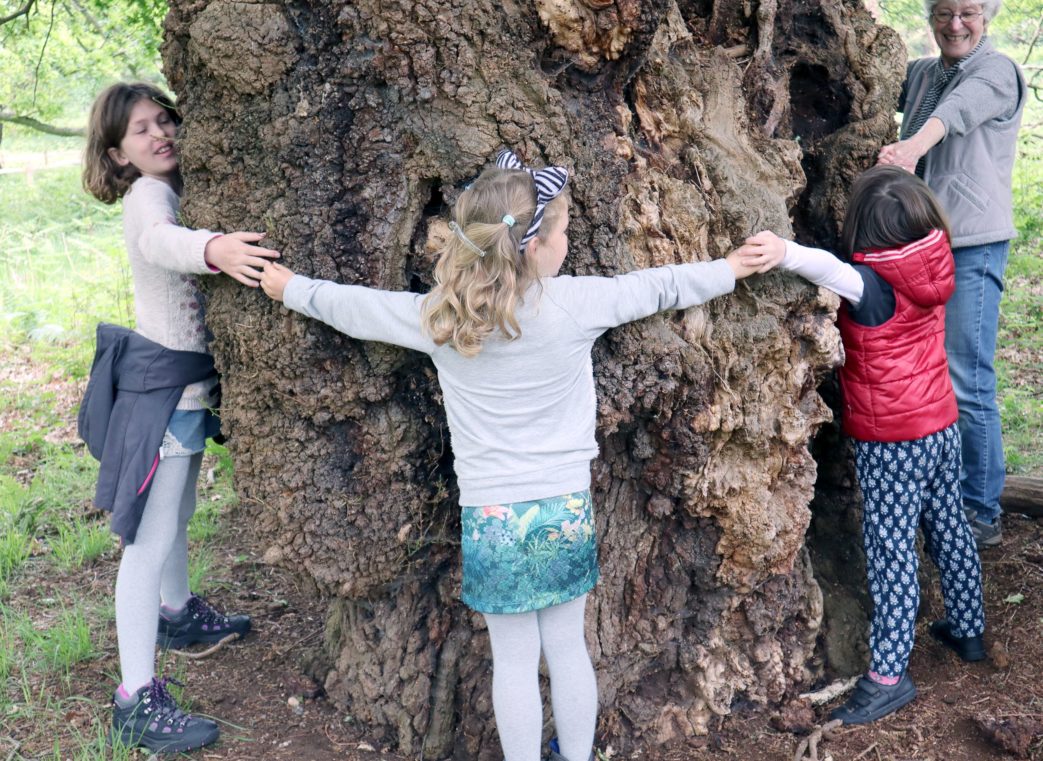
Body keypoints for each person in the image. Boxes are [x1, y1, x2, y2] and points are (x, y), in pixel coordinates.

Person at [258, 148, 759, 761]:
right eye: (565, 229)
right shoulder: (574, 303)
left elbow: (357, 309)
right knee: (569, 647)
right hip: (563, 504)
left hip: (493, 513)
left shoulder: (441, 317)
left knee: (514, 661)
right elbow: (660, 287)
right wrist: (730, 267)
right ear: (535, 246)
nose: (568, 238)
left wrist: (292, 288)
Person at [737, 165, 986, 725]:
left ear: (864, 230)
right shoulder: (936, 260)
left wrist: (783, 249)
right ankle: (969, 630)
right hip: (942, 424)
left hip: (893, 442)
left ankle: (889, 676)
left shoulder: (871, 282)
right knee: (949, 525)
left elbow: (828, 268)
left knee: (891, 554)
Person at [81, 82, 278, 753]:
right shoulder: (147, 195)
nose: (160, 133)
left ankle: (177, 611)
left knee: (178, 511)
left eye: (165, 119)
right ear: (117, 153)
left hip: (184, 391)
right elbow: (162, 243)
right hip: (162, 392)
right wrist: (215, 249)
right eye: (140, 129)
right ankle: (135, 696)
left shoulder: (169, 186)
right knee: (150, 534)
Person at [877, 0, 1027, 548]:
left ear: (986, 15)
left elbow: (959, 109)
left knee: (967, 375)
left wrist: (911, 147)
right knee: (922, 371)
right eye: (943, 12)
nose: (955, 24)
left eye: (968, 12)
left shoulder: (997, 70)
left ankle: (981, 508)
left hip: (973, 244)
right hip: (918, 243)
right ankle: (936, 489)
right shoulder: (921, 72)